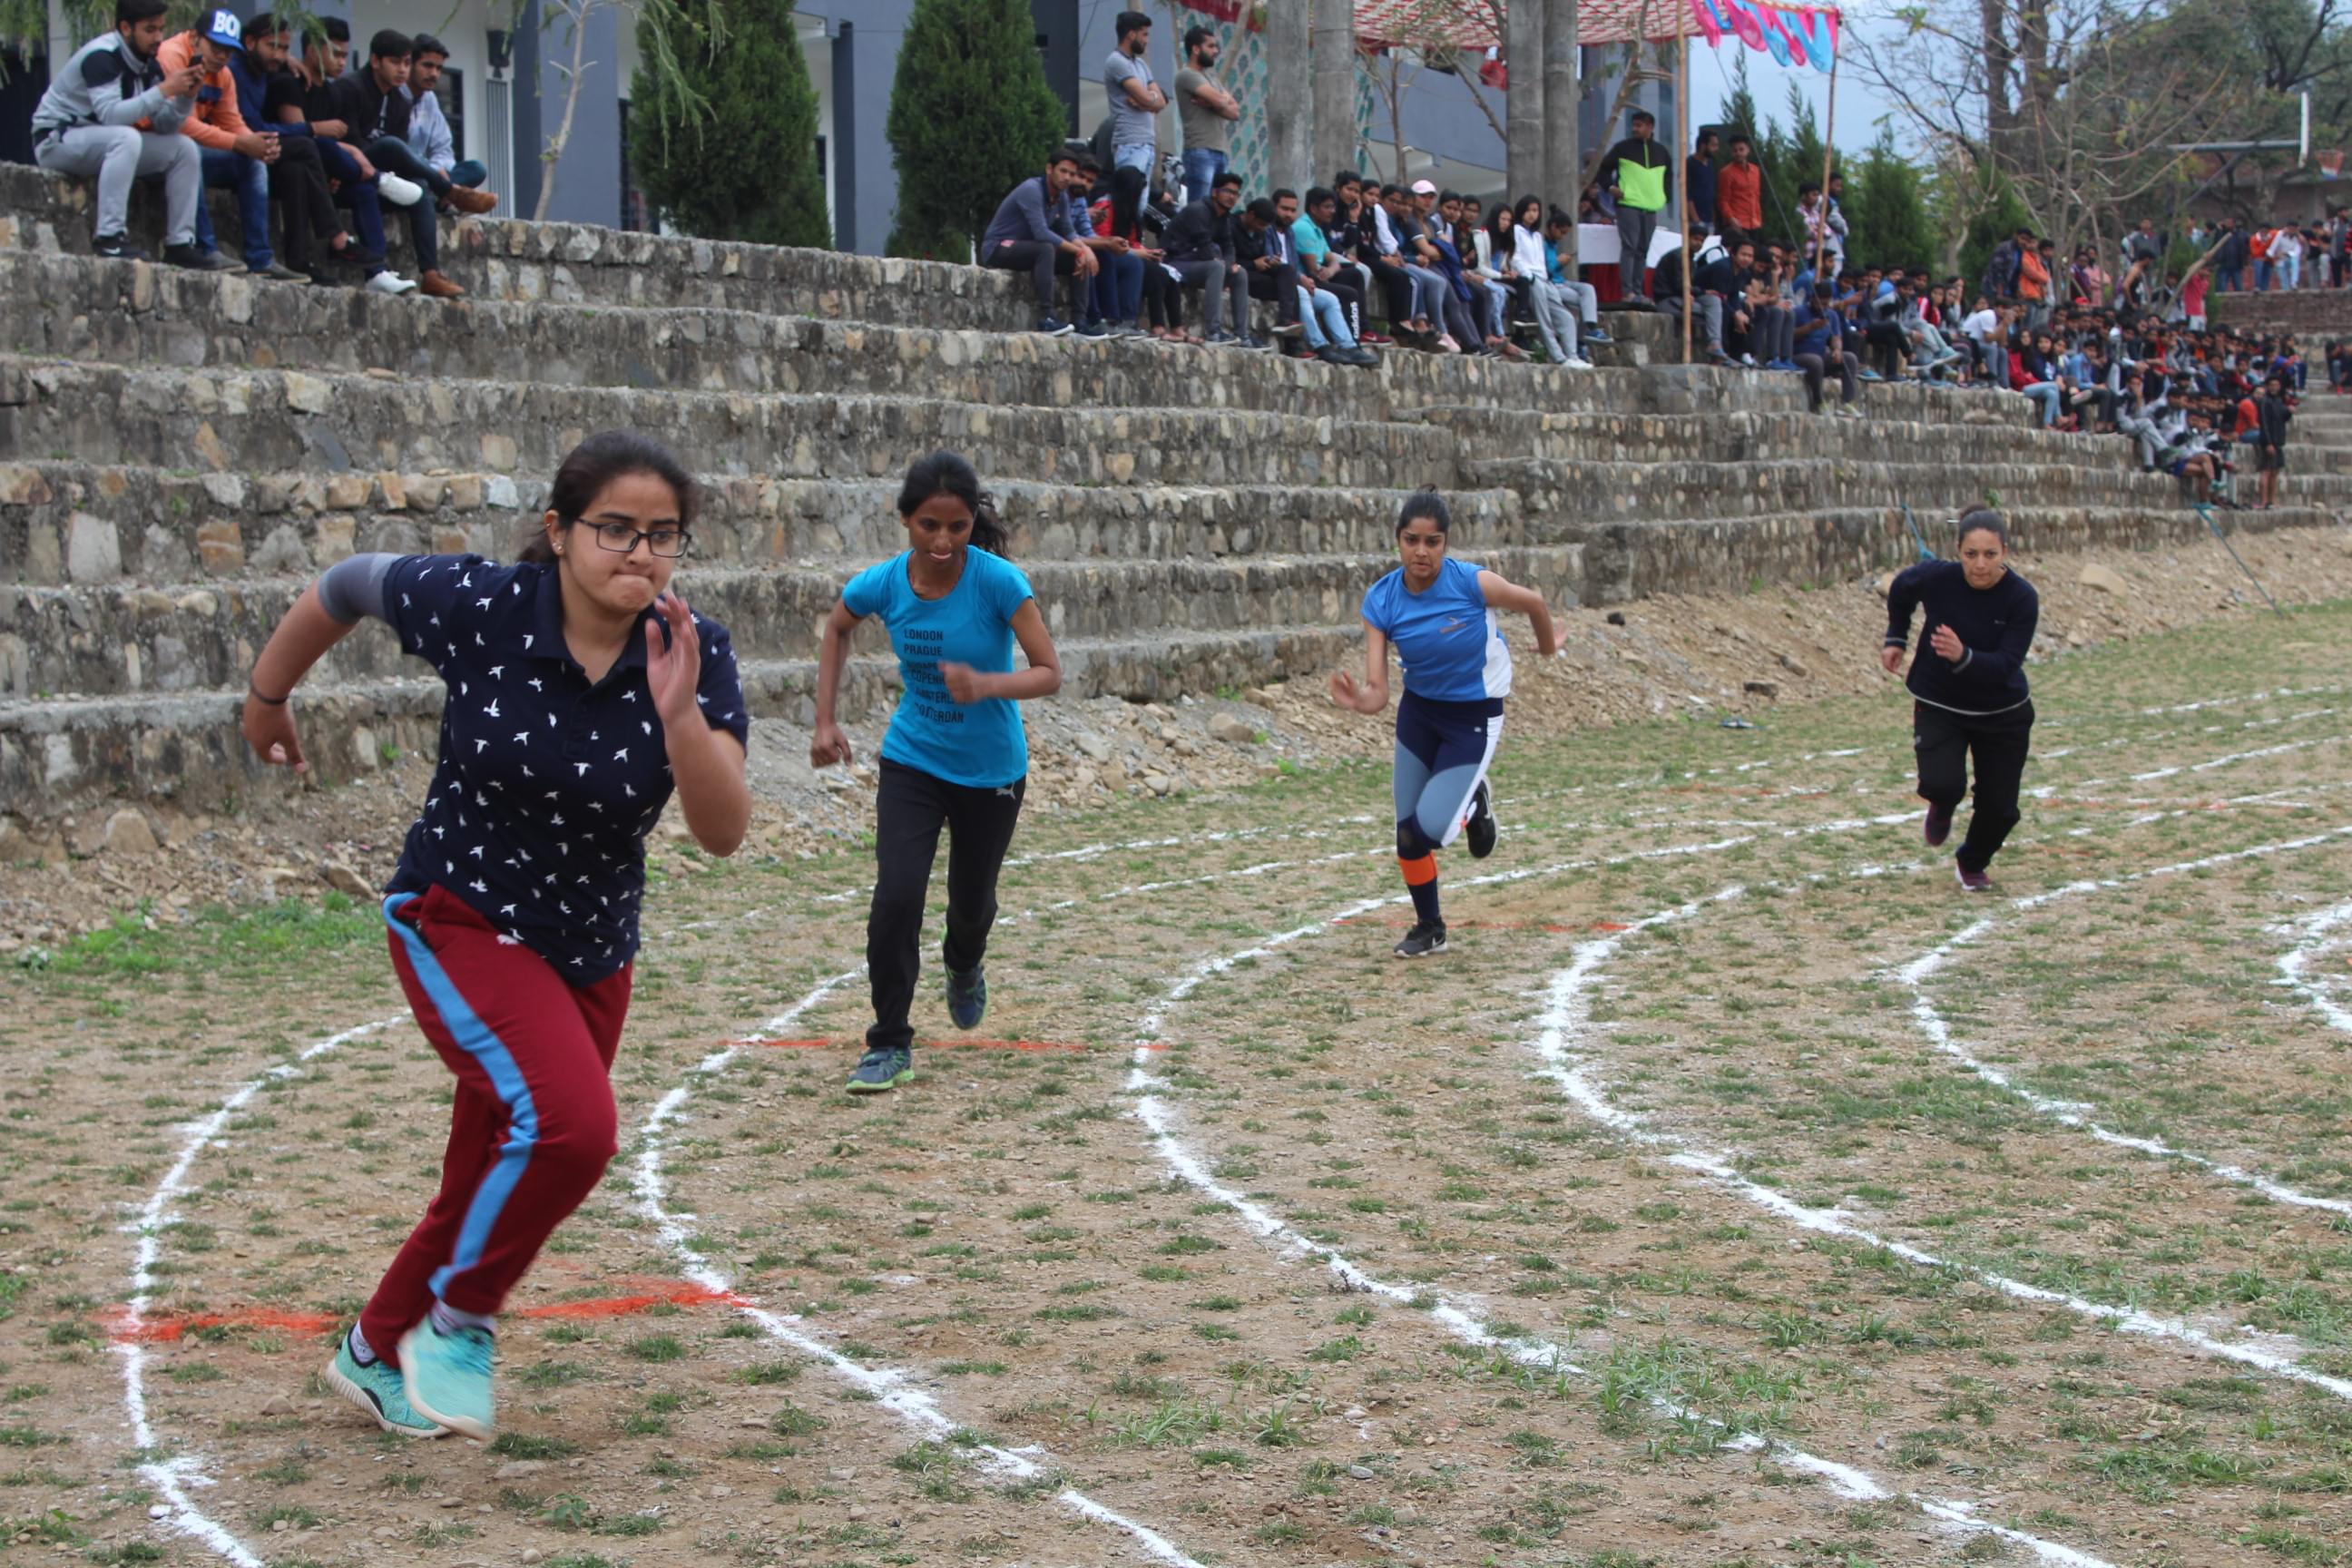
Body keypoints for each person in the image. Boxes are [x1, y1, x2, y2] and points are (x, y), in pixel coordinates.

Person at [241, 431, 751, 1439]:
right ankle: (459, 1324)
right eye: (614, 529)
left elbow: (723, 832)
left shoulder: (691, 649)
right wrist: (268, 695)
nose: (637, 555)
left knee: (490, 1172)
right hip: (460, 916)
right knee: (574, 1128)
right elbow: (345, 584)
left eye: (662, 536)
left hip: (591, 949)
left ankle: (373, 1352)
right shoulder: (482, 605)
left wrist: (682, 717)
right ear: (559, 532)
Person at [810, 454, 1063, 1095]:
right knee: (895, 899)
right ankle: (889, 1042)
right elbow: (837, 629)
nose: (944, 541)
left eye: (957, 526)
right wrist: (825, 722)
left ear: (972, 521)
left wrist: (988, 684)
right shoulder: (885, 583)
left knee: (971, 906)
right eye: (929, 526)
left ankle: (964, 960)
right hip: (913, 760)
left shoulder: (1000, 582)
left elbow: (1048, 671)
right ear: (905, 521)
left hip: (991, 773)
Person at [1330, 492, 1561, 959]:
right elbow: (1379, 691)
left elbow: (1534, 602)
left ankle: (1474, 802)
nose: (1422, 551)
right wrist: (1360, 701)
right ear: (1397, 540)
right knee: (1407, 836)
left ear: (1445, 543)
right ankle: (1430, 927)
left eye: (1432, 542)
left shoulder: (1472, 583)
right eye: (1412, 540)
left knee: (1432, 828)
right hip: (1419, 713)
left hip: (1473, 716)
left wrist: (1547, 647)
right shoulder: (1381, 599)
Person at [1879, 509, 2037, 893]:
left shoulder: (2022, 598)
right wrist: (1896, 637)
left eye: (1989, 555)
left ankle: (1971, 862)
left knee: (2001, 810)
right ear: (1958, 551)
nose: (1980, 564)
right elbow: (1901, 588)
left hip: (2003, 712)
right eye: (1970, 554)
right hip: (1940, 702)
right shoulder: (1937, 579)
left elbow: (2005, 665)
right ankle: (1943, 804)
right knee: (1943, 784)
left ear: (2005, 552)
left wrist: (1962, 655)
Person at [28, 0, 209, 265]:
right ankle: (109, 238)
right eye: (150, 30)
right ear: (125, 27)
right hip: (57, 139)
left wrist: (185, 98)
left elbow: (165, 125)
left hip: (102, 141)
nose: (158, 38)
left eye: (161, 29)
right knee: (126, 138)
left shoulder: (148, 62)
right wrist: (165, 90)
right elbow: (110, 115)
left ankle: (180, 244)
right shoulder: (103, 56)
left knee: (184, 148)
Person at [338, 30, 497, 298]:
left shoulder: (404, 101)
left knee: (439, 179)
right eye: (398, 63)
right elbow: (353, 143)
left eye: (406, 63)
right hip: (356, 170)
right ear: (376, 61)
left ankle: (431, 275)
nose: (403, 70)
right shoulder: (353, 88)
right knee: (392, 147)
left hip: (398, 176)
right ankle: (449, 192)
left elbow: (442, 148)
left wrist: (434, 170)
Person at [265, 14, 412, 296]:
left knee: (362, 191)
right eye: (335, 53)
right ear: (311, 51)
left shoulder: (334, 94)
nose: (342, 62)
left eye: (345, 55)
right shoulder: (289, 83)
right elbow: (301, 136)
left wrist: (333, 170)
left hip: (319, 175)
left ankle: (377, 270)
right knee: (315, 149)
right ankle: (377, 180)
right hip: (280, 163)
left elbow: (332, 143)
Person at [223, 11, 369, 284]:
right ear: (250, 42)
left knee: (296, 170)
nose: (278, 55)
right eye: (272, 46)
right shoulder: (236, 71)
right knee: (305, 145)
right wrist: (312, 127)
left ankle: (299, 262)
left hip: (261, 150)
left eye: (284, 48)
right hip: (231, 147)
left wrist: (286, 60)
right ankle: (336, 236)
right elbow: (253, 127)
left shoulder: (268, 68)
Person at [159, 10, 305, 279]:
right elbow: (183, 125)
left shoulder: (222, 73)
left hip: (191, 147)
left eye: (228, 51)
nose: (222, 56)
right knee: (190, 153)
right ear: (195, 38)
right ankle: (204, 248)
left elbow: (232, 121)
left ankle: (260, 258)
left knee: (254, 163)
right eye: (216, 48)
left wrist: (256, 143)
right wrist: (240, 142)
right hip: (163, 147)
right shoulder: (173, 56)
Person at [981, 148, 1096, 336]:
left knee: (1076, 258)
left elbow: (1068, 230)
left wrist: (1085, 250)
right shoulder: (1031, 189)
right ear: (1049, 169)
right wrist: (1079, 250)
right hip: (999, 247)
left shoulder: (1063, 197)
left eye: (1072, 174)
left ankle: (1080, 321)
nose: (1067, 178)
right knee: (1047, 248)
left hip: (1029, 249)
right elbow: (1041, 233)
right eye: (1063, 171)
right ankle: (1047, 317)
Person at [1163, 172, 1259, 348]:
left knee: (1240, 274)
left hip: (1199, 261)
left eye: (1236, 194)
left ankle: (1242, 334)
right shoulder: (1197, 210)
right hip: (1176, 263)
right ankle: (1213, 331)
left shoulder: (1223, 217)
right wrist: (1221, 264)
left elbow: (1228, 245)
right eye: (1228, 191)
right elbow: (1204, 246)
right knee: (1216, 267)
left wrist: (1231, 264)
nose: (1232, 197)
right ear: (1215, 192)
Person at [1595, 109, 1671, 306]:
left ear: (1650, 127)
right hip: (1628, 205)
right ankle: (1628, 291)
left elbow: (1669, 176)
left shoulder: (1662, 151)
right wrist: (1610, 187)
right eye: (1634, 125)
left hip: (1651, 207)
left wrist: (1665, 196)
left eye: (1639, 125)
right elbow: (1602, 169)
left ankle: (1638, 291)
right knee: (1630, 247)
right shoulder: (1622, 148)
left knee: (1643, 249)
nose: (1635, 129)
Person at [1103, 11, 1165, 243]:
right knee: (1126, 203)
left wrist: (1146, 101)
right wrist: (1148, 99)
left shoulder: (1140, 64)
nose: (1147, 40)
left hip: (1146, 144)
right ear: (1131, 34)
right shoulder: (1116, 62)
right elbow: (1149, 98)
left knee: (1140, 205)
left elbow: (1159, 102)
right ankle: (1122, 246)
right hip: (1129, 142)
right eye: (1144, 34)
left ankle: (1133, 246)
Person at [405, 35, 488, 191]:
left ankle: (442, 192)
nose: (434, 74)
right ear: (410, 64)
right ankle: (442, 194)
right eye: (428, 66)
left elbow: (443, 148)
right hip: (403, 172)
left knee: (477, 169)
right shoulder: (394, 95)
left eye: (438, 68)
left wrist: (437, 169)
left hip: (430, 173)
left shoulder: (429, 99)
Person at [1174, 24, 1238, 207]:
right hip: (1200, 150)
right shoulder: (1187, 75)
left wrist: (1211, 102)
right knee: (1200, 207)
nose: (1216, 51)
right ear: (1195, 49)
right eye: (1210, 46)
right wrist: (1219, 101)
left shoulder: (1212, 78)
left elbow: (1235, 112)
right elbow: (1222, 102)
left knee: (1220, 208)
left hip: (1220, 151)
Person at [1235, 196, 1308, 343]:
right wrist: (1253, 264)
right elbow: (1228, 260)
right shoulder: (1231, 227)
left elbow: (1260, 255)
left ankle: (1287, 322)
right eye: (1260, 224)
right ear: (1251, 215)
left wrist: (1269, 261)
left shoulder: (1259, 231)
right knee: (1291, 289)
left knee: (1288, 273)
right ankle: (1292, 344)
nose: (1262, 229)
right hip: (1240, 274)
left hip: (1258, 273)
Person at [1793, 280, 1861, 416]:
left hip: (1820, 355)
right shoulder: (1798, 312)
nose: (1823, 307)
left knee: (1850, 358)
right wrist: (1810, 328)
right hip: (1800, 355)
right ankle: (1818, 401)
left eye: (1826, 304)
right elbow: (1790, 336)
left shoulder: (1832, 315)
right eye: (1820, 303)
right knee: (1815, 361)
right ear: (1812, 299)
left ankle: (1847, 402)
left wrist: (1837, 350)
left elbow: (1836, 336)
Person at [1716, 132, 1763, 248]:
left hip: (1754, 221)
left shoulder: (1755, 170)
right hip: (1738, 222)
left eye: (1741, 149)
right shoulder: (1726, 173)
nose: (1738, 153)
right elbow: (1723, 200)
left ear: (1748, 150)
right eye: (1735, 150)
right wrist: (1731, 219)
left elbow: (1756, 195)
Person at [2254, 371, 2291, 509]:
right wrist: (2268, 442)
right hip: (2268, 441)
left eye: (2276, 385)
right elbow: (2264, 423)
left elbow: (2282, 418)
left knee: (2275, 472)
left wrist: (2289, 411)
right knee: (2266, 471)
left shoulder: (2279, 401)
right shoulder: (2265, 402)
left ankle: (2272, 500)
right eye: (2272, 385)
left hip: (2279, 440)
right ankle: (2263, 501)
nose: (2274, 387)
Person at [1686, 128, 1719, 233]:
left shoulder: (1710, 163)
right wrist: (1695, 218)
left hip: (1709, 218)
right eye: (1713, 145)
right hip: (1695, 219)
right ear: (1703, 145)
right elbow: (1687, 193)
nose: (1716, 149)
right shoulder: (1690, 163)